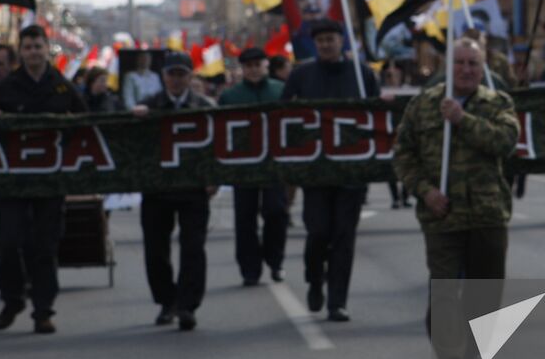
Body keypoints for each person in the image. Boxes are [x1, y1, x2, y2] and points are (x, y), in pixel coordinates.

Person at [393, 37, 519, 359]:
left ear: (483, 69)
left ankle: (473, 357)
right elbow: (403, 155)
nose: (466, 69)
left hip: (487, 212)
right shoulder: (424, 105)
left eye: (473, 64)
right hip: (442, 214)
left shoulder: (497, 103)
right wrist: (425, 191)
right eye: (459, 62)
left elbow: (505, 141)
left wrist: (463, 120)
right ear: (447, 67)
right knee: (444, 289)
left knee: (486, 290)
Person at [0, 25, 86, 334]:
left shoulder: (63, 88)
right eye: (27, 47)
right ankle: (12, 298)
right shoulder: (6, 87)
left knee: (45, 246)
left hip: (49, 181)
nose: (33, 52)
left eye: (38, 46)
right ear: (21, 52)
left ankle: (43, 310)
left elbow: (87, 124)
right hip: (11, 181)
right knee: (8, 242)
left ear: (47, 48)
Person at [282, 18, 379, 321]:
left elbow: (377, 115)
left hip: (351, 172)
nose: (326, 44)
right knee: (318, 232)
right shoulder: (301, 75)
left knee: (344, 237)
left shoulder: (362, 74)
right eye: (321, 40)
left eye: (331, 39)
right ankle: (314, 279)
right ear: (315, 44)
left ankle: (337, 301)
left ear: (342, 42)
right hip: (315, 173)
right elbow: (282, 115)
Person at [131, 52, 216, 330]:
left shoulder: (205, 106)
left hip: (193, 190)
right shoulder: (148, 105)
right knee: (156, 250)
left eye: (182, 74)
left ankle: (187, 305)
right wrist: (135, 119)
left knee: (193, 249)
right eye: (172, 74)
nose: (176, 79)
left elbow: (216, 145)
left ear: (191, 77)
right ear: (164, 76)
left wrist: (214, 178)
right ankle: (167, 301)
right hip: (157, 190)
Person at [218, 47, 288, 286]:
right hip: (243, 166)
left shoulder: (281, 91)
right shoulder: (230, 96)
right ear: (242, 69)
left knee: (276, 211)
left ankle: (275, 259)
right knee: (245, 218)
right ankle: (250, 268)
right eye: (249, 66)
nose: (254, 70)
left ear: (266, 66)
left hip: (274, 165)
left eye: (258, 65)